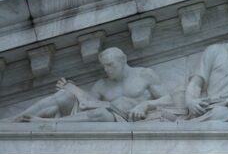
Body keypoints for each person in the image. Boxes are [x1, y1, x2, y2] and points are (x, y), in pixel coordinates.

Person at [7, 47, 172, 122]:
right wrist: (74, 90)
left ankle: (50, 123)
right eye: (105, 66)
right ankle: (15, 120)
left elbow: (168, 99)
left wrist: (145, 105)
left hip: (124, 119)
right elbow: (87, 105)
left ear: (123, 60)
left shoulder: (144, 74)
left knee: (101, 114)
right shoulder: (102, 84)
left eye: (111, 65)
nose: (107, 70)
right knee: (65, 95)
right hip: (108, 113)